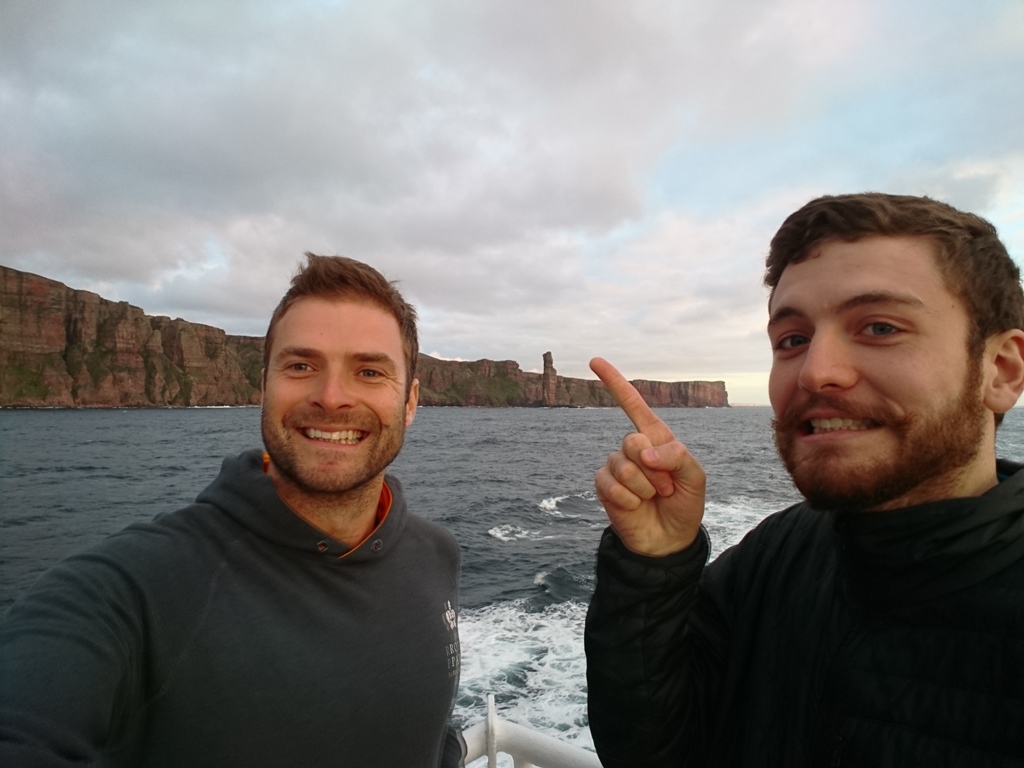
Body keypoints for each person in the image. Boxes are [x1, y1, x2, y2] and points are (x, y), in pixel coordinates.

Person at [584, 193, 1024, 767]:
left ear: (1001, 371)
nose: (817, 372)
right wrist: (656, 566)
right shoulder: (777, 554)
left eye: (880, 327)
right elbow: (657, 752)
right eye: (792, 340)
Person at [0, 254, 465, 767]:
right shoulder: (131, 590)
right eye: (301, 366)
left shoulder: (436, 555)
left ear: (411, 402)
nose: (332, 397)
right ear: (263, 386)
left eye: (370, 371)